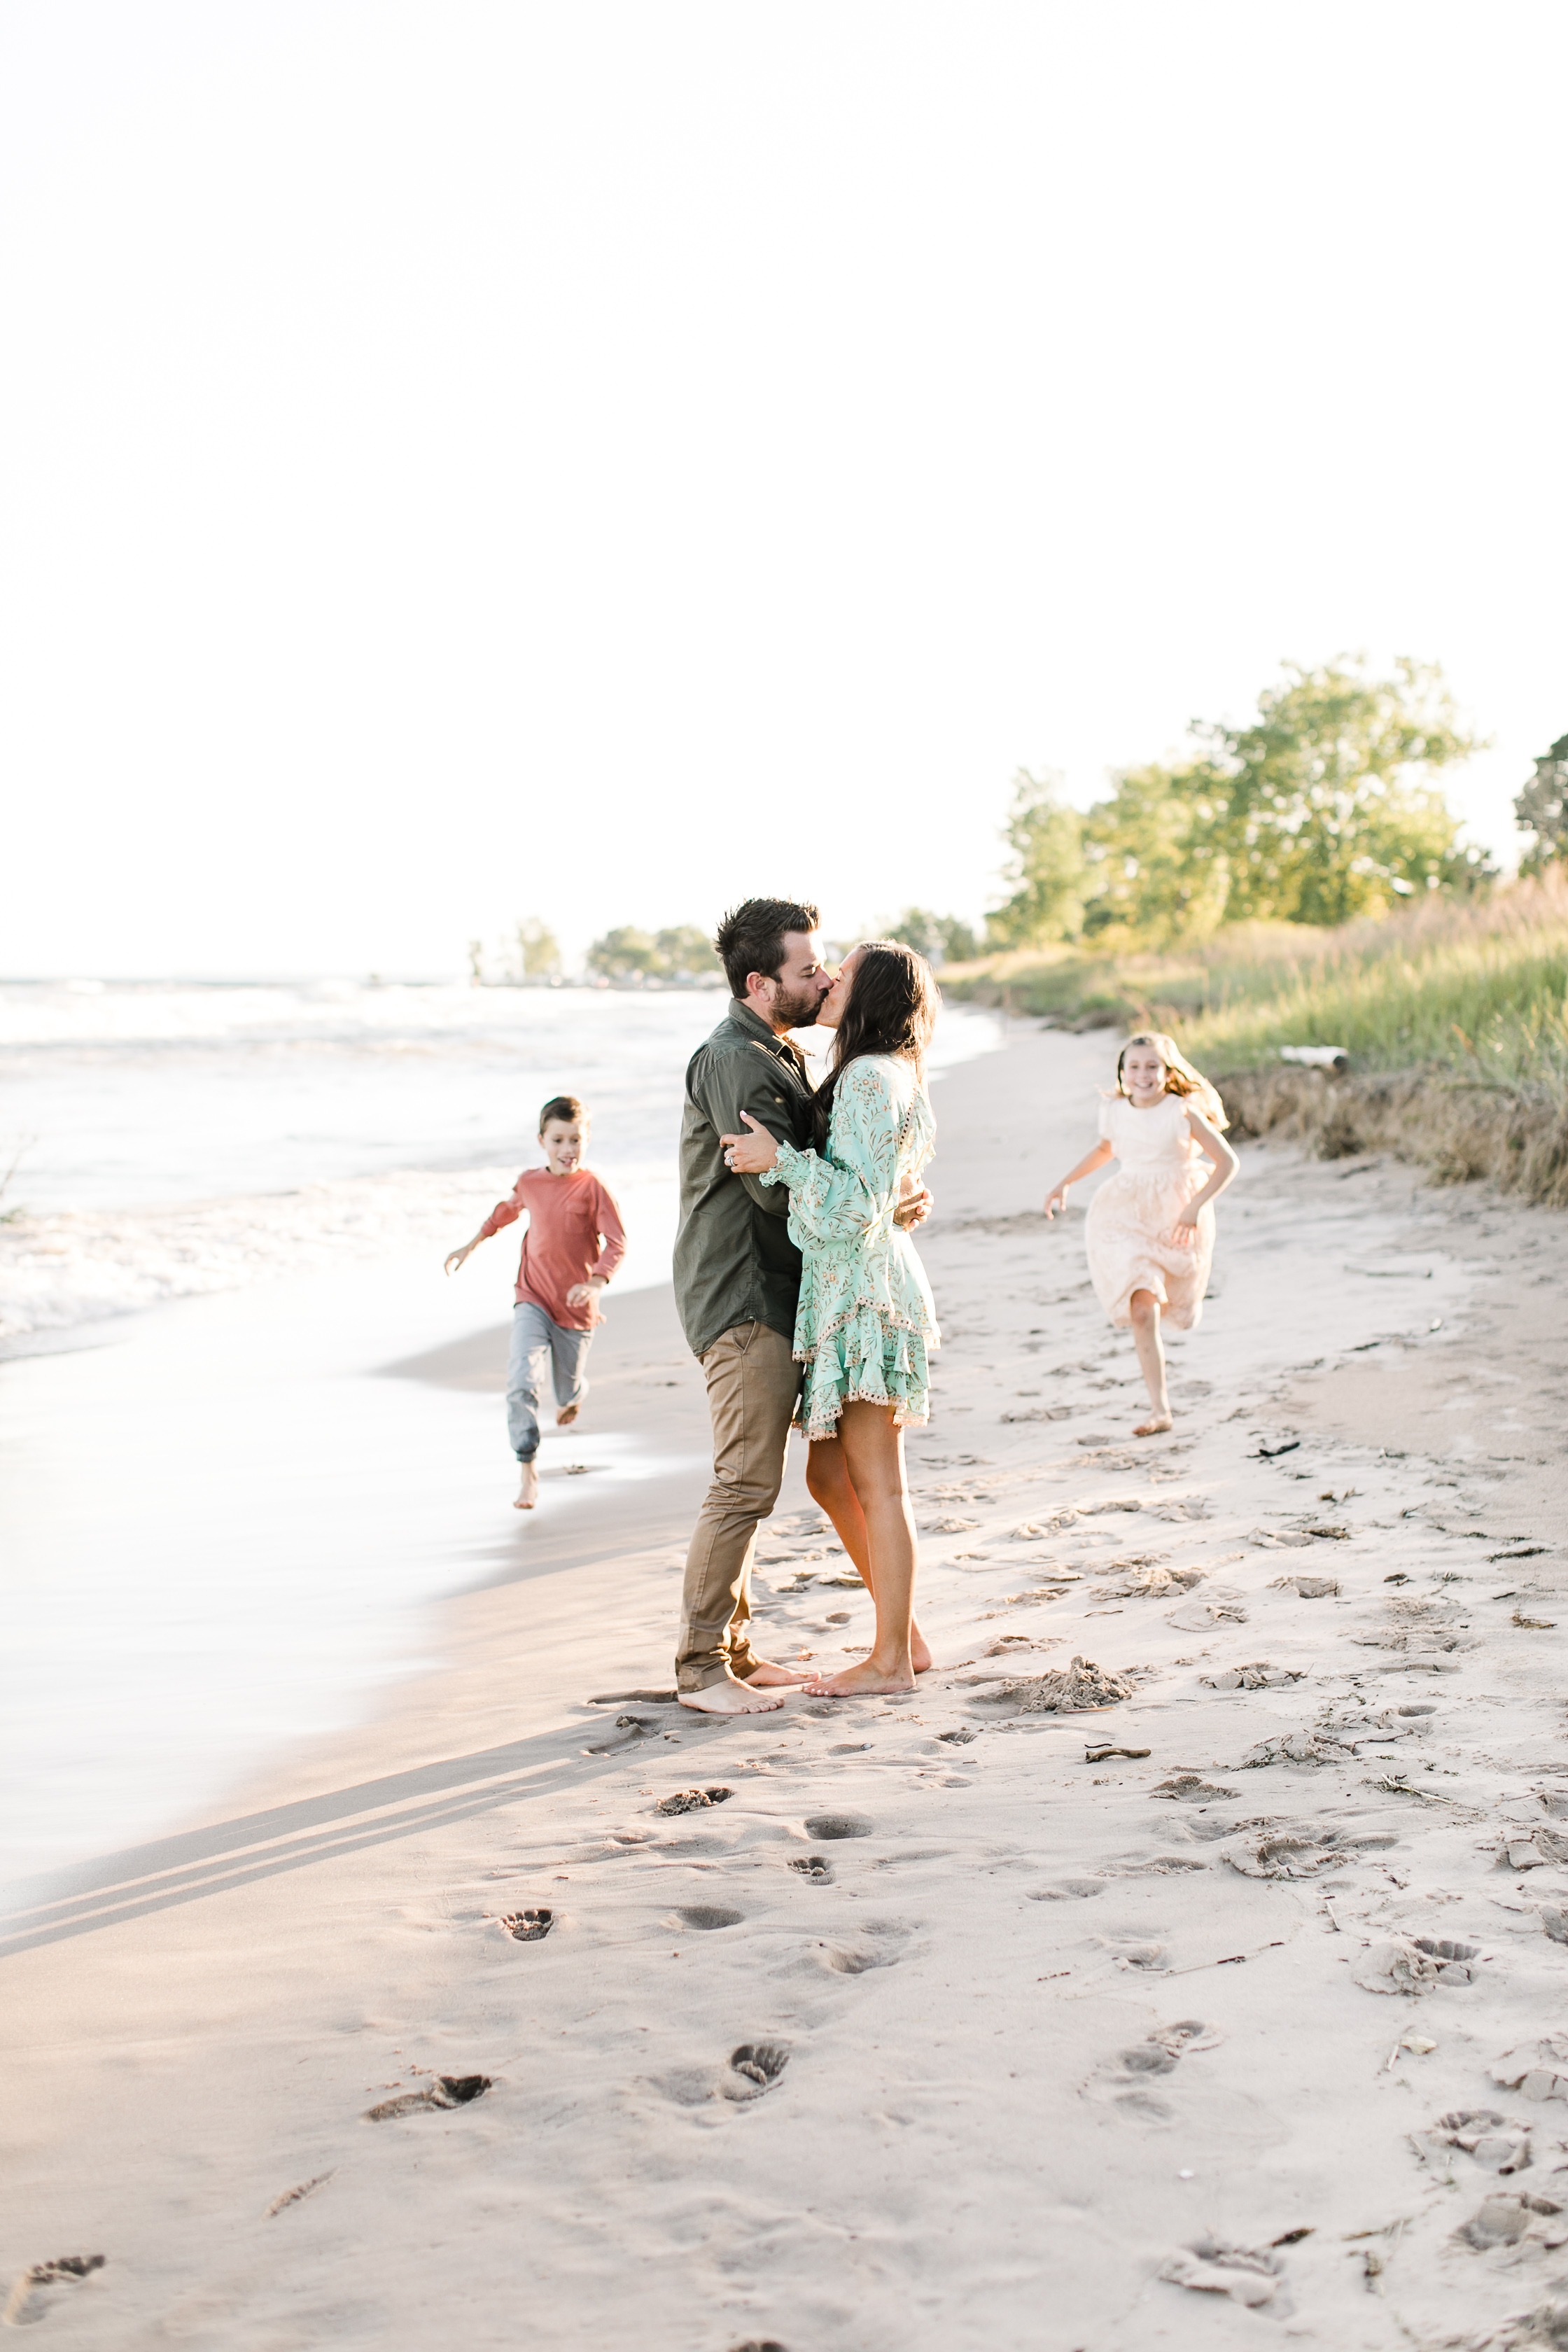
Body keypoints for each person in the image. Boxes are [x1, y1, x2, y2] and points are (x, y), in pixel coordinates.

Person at [671, 900, 930, 1717]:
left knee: (811, 1477)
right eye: (810, 969)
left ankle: (868, 1646)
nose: (820, 982)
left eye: (832, 971)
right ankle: (704, 1667)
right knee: (751, 1482)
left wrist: (878, 1202)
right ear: (760, 982)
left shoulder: (794, 1056)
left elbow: (841, 1184)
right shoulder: (738, 1061)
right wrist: (866, 1200)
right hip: (747, 1294)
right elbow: (776, 1190)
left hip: (826, 1294)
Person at [1043, 1032, 1238, 1436]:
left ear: (1168, 1073)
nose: (1143, 1074)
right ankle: (1159, 1409)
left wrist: (1195, 1206)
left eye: (1152, 1066)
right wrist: (1066, 1182)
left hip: (1176, 1215)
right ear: (1122, 1072)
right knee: (1142, 1308)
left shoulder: (1182, 1111)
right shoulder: (1113, 1109)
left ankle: (1186, 1299)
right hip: (1125, 1212)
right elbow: (1106, 1149)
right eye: (1134, 1067)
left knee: (1178, 1300)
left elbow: (1226, 1163)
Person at [444, 1093, 625, 1509]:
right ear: (542, 1140)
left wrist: (596, 1283)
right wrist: (469, 1246)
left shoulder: (592, 1188)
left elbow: (617, 1241)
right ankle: (527, 1470)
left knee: (565, 1391)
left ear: (587, 1140)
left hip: (577, 1310)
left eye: (575, 1140)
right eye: (558, 1140)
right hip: (532, 1297)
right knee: (521, 1382)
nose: (568, 1150)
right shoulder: (530, 1182)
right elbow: (504, 1213)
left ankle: (575, 1396)